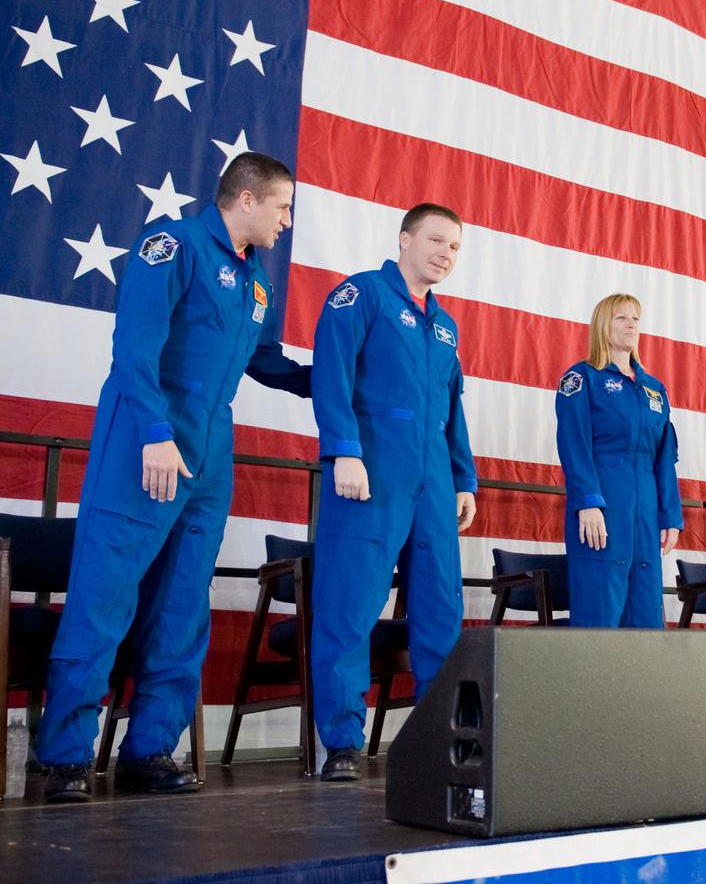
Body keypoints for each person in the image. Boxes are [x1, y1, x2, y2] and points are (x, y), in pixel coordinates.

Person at [39, 153, 311, 802]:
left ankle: (149, 747)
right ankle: (65, 756)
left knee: (183, 602)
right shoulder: (173, 247)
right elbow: (134, 350)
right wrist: (156, 435)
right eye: (283, 206)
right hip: (145, 438)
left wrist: (334, 384)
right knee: (105, 596)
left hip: (211, 451)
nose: (287, 220)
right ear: (247, 198)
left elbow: (265, 360)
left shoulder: (255, 282)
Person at [308, 203, 477, 781]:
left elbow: (452, 410)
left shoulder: (446, 325)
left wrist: (463, 479)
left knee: (440, 610)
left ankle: (439, 737)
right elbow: (330, 375)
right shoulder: (360, 296)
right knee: (350, 605)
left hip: (432, 479)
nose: (445, 253)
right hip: (370, 471)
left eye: (454, 247)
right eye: (436, 240)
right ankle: (342, 742)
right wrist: (343, 450)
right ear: (405, 239)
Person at [555, 294, 682, 628]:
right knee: (601, 606)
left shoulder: (654, 389)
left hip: (647, 506)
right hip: (605, 503)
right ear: (603, 326)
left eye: (636, 318)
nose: (631, 325)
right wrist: (588, 502)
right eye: (621, 318)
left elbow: (665, 456)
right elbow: (573, 444)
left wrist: (670, 515)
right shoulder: (582, 378)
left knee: (646, 609)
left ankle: (642, 681)